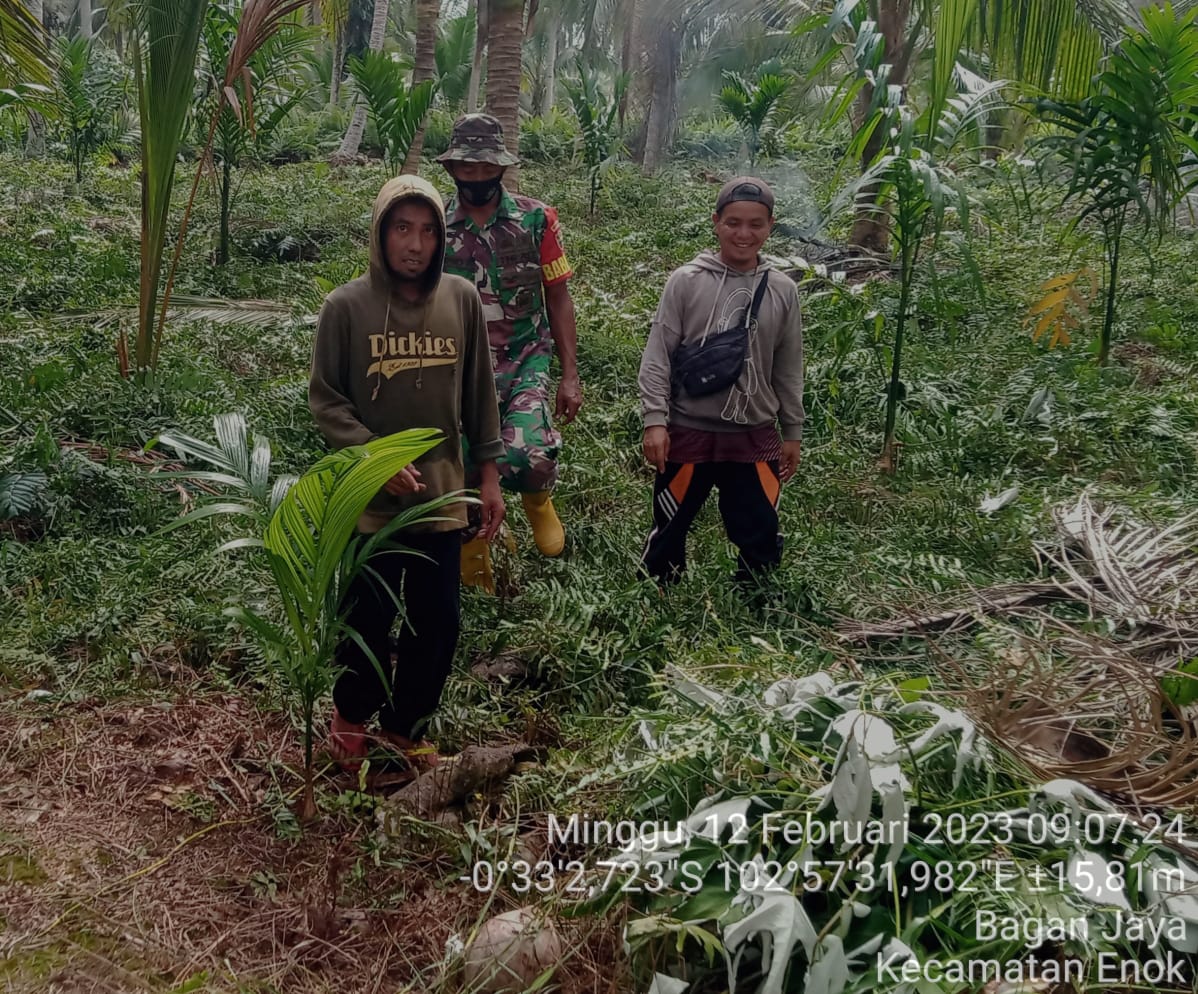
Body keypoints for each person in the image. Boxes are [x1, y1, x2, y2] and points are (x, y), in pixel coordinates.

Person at [308, 174, 504, 773]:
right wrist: (376, 458)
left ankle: (405, 726)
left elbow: (479, 393)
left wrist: (488, 475)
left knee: (437, 619)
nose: (414, 244)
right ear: (380, 232)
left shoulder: (461, 298)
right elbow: (327, 400)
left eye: (426, 230)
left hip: (442, 496)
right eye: (401, 228)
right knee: (366, 616)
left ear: (441, 236)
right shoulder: (347, 306)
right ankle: (349, 717)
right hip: (370, 500)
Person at [437, 113, 582, 591]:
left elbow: (558, 295)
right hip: (455, 365)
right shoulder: (434, 224)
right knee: (457, 460)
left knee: (525, 453)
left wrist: (570, 375)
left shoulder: (537, 219)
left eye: (484, 168)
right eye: (466, 168)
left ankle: (537, 498)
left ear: (500, 166)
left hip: (524, 356)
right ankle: (474, 543)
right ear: (453, 168)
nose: (475, 178)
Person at [637, 176, 804, 587]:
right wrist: (654, 420)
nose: (743, 234)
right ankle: (660, 598)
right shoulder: (686, 281)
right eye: (733, 222)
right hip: (688, 430)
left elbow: (788, 365)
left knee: (759, 529)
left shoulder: (782, 289)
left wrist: (792, 431)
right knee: (670, 525)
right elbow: (658, 353)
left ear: (770, 226)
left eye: (755, 224)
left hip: (754, 433)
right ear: (716, 222)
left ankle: (757, 601)